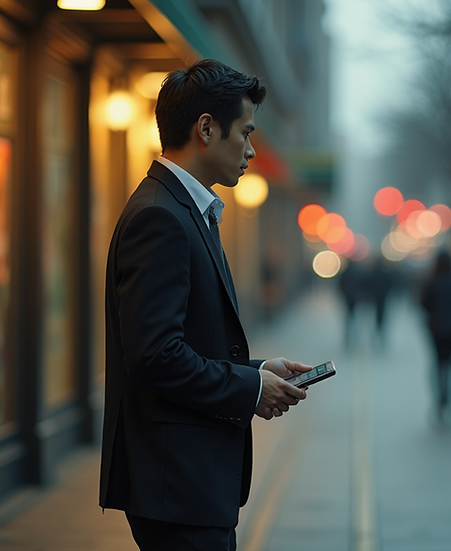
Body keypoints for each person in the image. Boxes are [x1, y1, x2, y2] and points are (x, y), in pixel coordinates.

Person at [99, 59, 311, 551]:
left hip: (184, 482)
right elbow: (155, 354)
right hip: (177, 483)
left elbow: (186, 340)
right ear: (207, 128)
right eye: (246, 132)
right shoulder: (161, 217)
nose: (252, 150)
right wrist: (250, 388)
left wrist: (259, 370)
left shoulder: (183, 210)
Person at [420, 250, 451, 423]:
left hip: (436, 329)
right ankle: (450, 398)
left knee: (438, 363)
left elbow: (424, 304)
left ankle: (439, 397)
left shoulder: (432, 282)